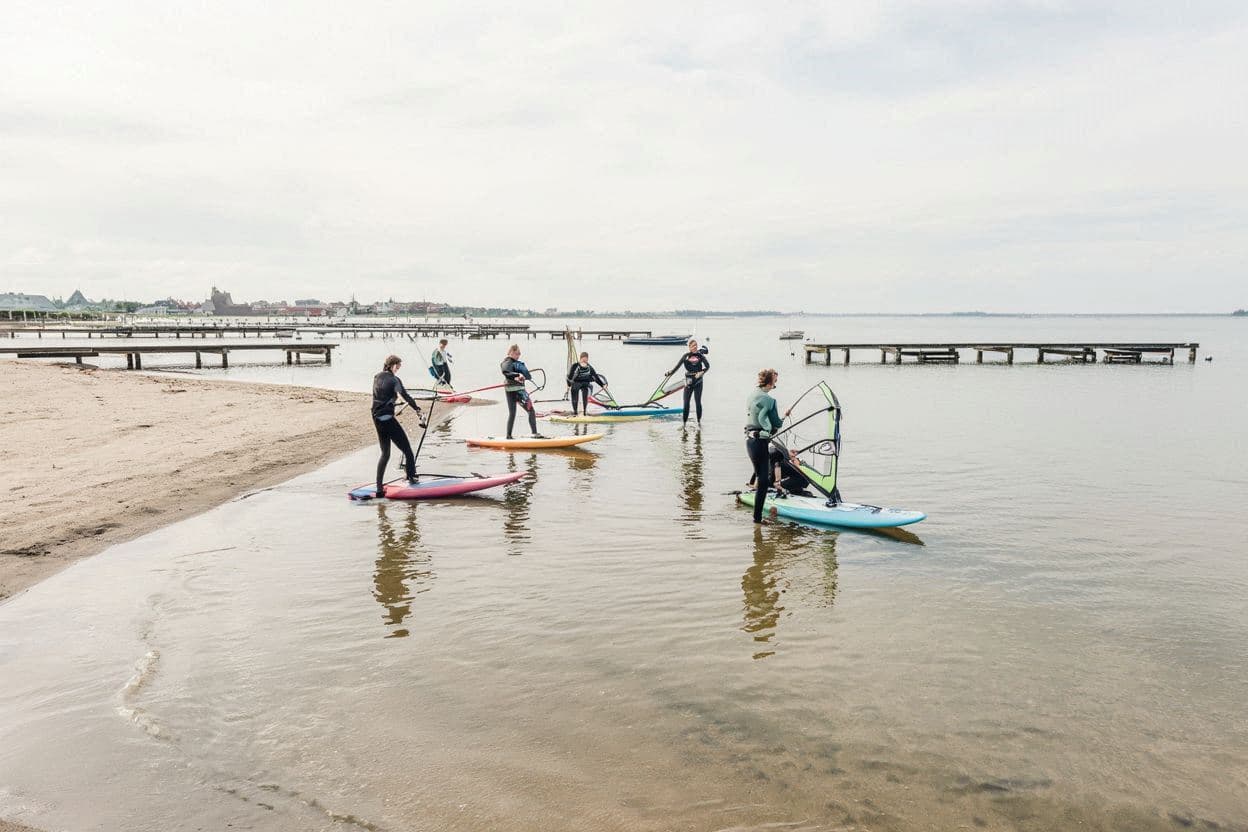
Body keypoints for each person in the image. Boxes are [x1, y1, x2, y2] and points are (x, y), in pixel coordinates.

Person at [368, 355, 426, 499]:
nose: (398, 369)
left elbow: (381, 396)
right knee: (407, 450)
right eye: (398, 366)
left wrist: (393, 403)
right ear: (393, 365)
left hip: (376, 418)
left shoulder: (377, 377)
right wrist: (417, 409)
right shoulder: (395, 380)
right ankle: (412, 477)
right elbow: (405, 396)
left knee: (385, 454)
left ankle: (379, 488)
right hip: (387, 419)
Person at [744, 368, 782, 523]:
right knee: (764, 481)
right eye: (775, 381)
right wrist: (783, 418)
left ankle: (757, 518)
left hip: (749, 441)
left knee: (761, 475)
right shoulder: (770, 400)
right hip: (759, 443)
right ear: (771, 382)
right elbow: (776, 423)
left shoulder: (752, 394)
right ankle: (757, 519)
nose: (776, 383)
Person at [500, 344, 542, 439]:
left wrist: (523, 375)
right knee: (530, 410)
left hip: (513, 390)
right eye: (516, 353)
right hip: (516, 391)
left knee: (515, 413)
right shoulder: (507, 362)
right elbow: (506, 372)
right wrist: (517, 375)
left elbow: (527, 376)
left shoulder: (517, 363)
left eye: (519, 353)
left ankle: (509, 436)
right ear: (510, 352)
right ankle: (534, 433)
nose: (518, 355)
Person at [667, 338, 710, 425]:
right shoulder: (686, 356)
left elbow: (708, 366)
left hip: (698, 382)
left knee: (698, 402)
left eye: (695, 345)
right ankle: (684, 425)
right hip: (688, 382)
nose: (694, 347)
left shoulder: (700, 356)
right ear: (689, 347)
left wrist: (702, 372)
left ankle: (698, 423)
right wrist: (670, 372)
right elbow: (677, 366)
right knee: (686, 404)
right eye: (692, 346)